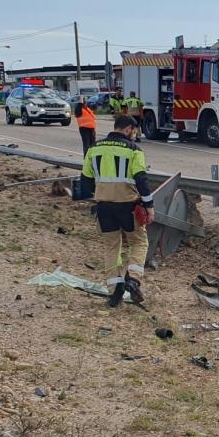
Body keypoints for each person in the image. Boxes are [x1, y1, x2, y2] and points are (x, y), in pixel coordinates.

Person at [80, 116, 153, 308]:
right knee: (139, 242)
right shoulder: (133, 150)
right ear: (128, 129)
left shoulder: (94, 148)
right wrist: (149, 206)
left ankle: (114, 293)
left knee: (111, 247)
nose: (135, 134)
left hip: (104, 207)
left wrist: (101, 191)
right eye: (135, 131)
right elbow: (141, 179)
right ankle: (134, 279)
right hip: (128, 206)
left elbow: (85, 180)